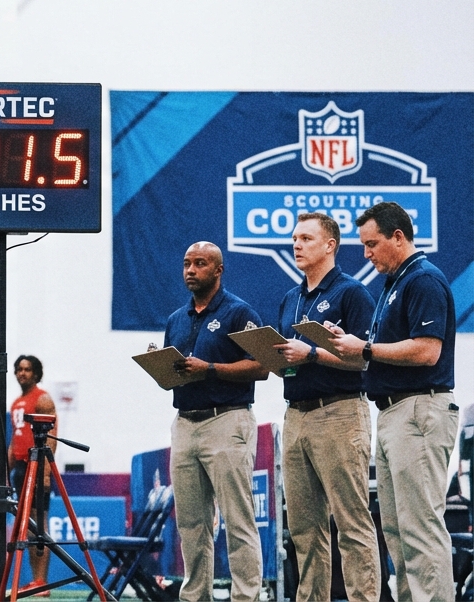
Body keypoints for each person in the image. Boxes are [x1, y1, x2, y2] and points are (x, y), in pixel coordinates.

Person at [330, 201, 460, 602]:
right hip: (393, 413)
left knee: (420, 528)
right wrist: (343, 345)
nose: (366, 254)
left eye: (372, 244)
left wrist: (365, 348)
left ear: (398, 237)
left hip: (419, 410)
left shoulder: (423, 280)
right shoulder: (394, 285)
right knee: (398, 531)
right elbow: (379, 351)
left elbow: (427, 351)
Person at [271, 214, 379, 602]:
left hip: (340, 413)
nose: (296, 245)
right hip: (296, 414)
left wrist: (312, 353)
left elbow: (365, 361)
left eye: (306, 238)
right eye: (294, 238)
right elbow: (291, 359)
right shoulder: (291, 298)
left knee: (351, 522)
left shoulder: (352, 293)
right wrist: (276, 358)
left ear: (330, 245)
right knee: (304, 528)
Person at [162, 243, 267, 602]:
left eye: (200, 264)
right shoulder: (176, 319)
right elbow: (174, 374)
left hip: (227, 420)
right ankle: (195, 596)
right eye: (186, 264)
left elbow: (262, 366)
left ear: (218, 270)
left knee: (238, 520)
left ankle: (246, 597)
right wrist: (162, 369)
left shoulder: (240, 313)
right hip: (185, 423)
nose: (191, 270)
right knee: (191, 524)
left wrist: (209, 369)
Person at [7, 355, 55, 595]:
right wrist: (7, 473)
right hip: (20, 468)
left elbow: (51, 437)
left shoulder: (42, 399)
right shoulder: (17, 402)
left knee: (39, 525)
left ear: (36, 373)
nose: (22, 373)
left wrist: (45, 472)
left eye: (27, 369)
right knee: (26, 526)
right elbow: (14, 440)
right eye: (19, 369)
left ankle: (41, 580)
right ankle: (35, 580)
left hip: (36, 466)